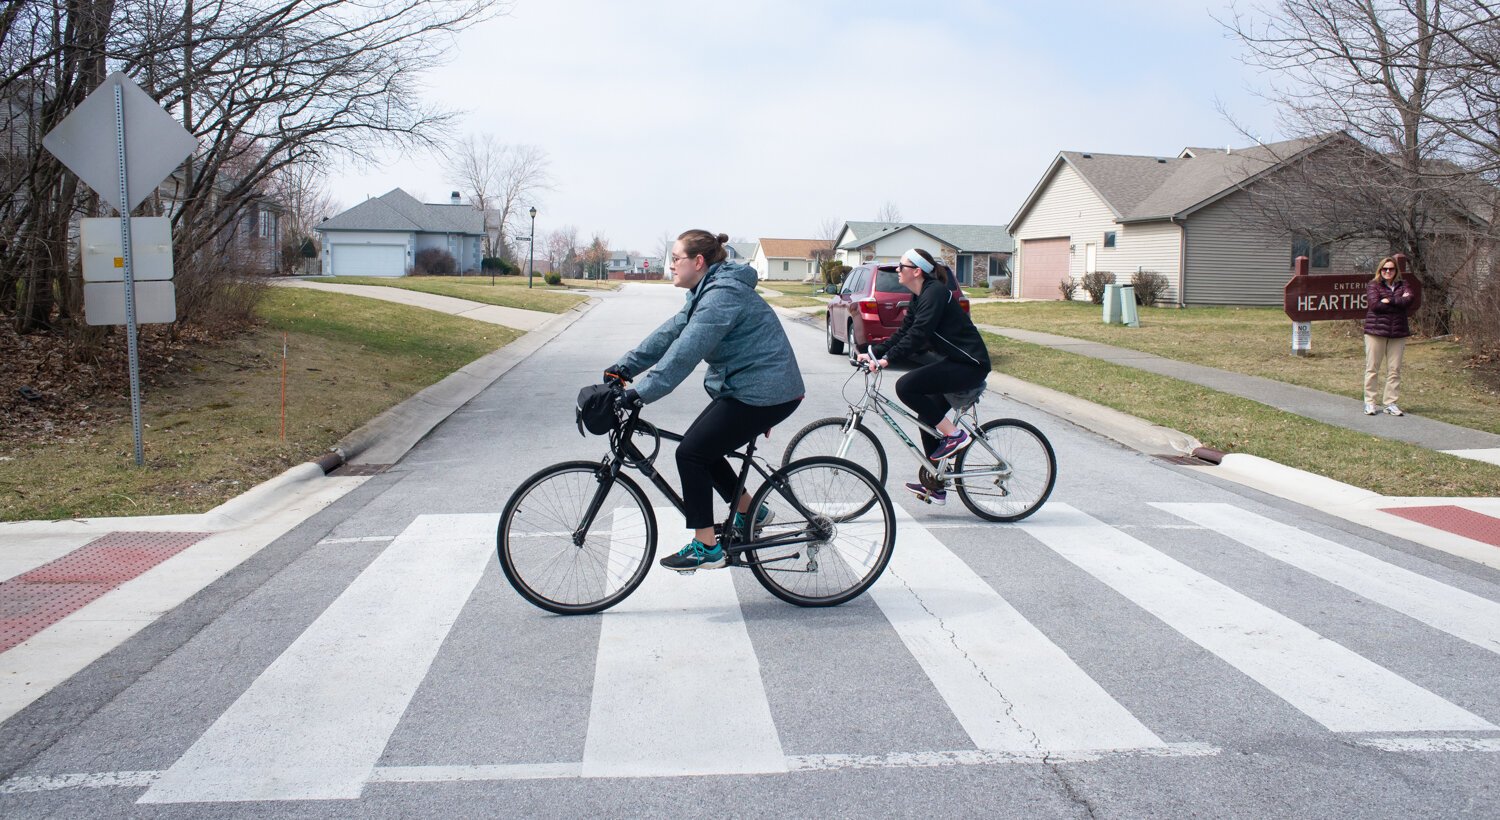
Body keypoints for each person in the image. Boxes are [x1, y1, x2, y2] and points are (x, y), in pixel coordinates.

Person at [607, 230, 804, 571]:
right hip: (749, 387)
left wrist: (640, 392)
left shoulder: (722, 295)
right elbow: (672, 332)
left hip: (766, 390)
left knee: (691, 454)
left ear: (698, 262)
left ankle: (706, 545)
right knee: (699, 447)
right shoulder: (707, 292)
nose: (670, 266)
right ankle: (750, 512)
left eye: (675, 259)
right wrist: (624, 367)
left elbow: (686, 351)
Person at [856, 248, 991, 505]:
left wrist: (888, 360)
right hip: (955, 361)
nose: (897, 270)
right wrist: (873, 352)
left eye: (901, 266)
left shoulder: (936, 293)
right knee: (927, 418)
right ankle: (936, 483)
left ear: (916, 271)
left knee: (906, 386)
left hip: (971, 364)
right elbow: (904, 331)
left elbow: (919, 333)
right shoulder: (919, 296)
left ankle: (955, 436)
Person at [1362, 256, 1415, 417]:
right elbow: (1375, 305)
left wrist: (1388, 301)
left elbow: (1409, 300)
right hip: (1375, 332)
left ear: (1395, 271)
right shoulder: (1373, 285)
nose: (1387, 271)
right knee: (1372, 368)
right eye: (1384, 269)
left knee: (1395, 369)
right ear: (1380, 270)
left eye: (1391, 269)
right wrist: (1398, 302)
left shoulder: (1404, 285)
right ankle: (1370, 402)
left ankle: (1390, 403)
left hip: (1397, 332)